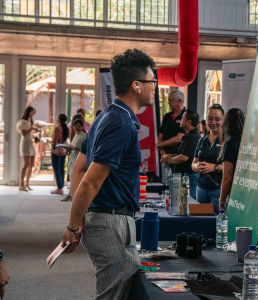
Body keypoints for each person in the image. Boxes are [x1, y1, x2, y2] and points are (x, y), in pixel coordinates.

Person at [61, 48, 156, 299]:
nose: (155, 86)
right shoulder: (119, 122)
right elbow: (89, 181)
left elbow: (79, 169)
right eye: (152, 80)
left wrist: (81, 216)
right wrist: (72, 225)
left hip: (109, 218)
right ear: (137, 85)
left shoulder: (107, 116)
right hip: (109, 221)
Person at [191, 104, 224, 215]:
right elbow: (193, 164)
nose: (213, 122)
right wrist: (197, 166)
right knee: (201, 221)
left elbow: (234, 168)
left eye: (217, 119)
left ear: (223, 120)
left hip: (218, 190)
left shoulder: (227, 141)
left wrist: (214, 167)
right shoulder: (202, 140)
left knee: (216, 223)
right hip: (201, 188)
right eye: (210, 119)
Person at [161, 109, 201, 199]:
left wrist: (169, 160)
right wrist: (171, 155)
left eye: (182, 118)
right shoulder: (188, 136)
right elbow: (182, 153)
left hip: (189, 176)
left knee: (188, 201)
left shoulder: (192, 137)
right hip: (184, 176)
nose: (180, 121)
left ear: (189, 122)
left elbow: (184, 157)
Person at [218, 108, 245, 210]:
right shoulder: (247, 142)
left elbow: (227, 178)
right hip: (247, 193)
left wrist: (222, 201)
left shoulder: (230, 144)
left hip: (235, 196)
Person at [62, 119, 87, 202]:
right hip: (73, 158)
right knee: (72, 178)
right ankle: (70, 195)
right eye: (75, 126)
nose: (77, 128)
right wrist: (69, 149)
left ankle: (74, 196)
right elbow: (72, 146)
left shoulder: (83, 136)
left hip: (78, 159)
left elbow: (85, 149)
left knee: (75, 179)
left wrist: (73, 148)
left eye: (79, 126)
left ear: (82, 126)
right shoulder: (76, 135)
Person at [157, 90, 186, 158]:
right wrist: (162, 152)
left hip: (178, 155)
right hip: (163, 156)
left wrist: (160, 145)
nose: (168, 103)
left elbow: (179, 138)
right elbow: (160, 136)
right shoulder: (166, 117)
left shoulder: (186, 117)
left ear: (179, 101)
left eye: (171, 100)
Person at [16, 106, 38, 191]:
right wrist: (32, 128)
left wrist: (34, 136)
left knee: (31, 165)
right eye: (32, 112)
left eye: (34, 112)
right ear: (28, 112)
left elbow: (29, 134)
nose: (33, 114)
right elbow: (24, 134)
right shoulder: (22, 122)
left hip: (31, 143)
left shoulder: (30, 122)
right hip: (25, 144)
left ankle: (27, 183)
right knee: (26, 164)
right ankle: (21, 184)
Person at [51, 114, 69, 195]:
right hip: (63, 150)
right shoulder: (66, 128)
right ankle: (61, 186)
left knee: (56, 169)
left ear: (59, 119)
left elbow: (55, 140)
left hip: (56, 150)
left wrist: (50, 142)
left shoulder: (57, 128)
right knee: (61, 169)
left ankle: (59, 188)